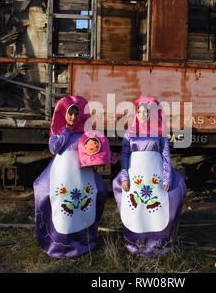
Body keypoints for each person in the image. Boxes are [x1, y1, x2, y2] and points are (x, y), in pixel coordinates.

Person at [33, 95, 107, 258]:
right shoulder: (57, 132)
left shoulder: (86, 134)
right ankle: (59, 244)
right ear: (63, 114)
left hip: (81, 176)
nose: (73, 117)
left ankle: (83, 241)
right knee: (56, 202)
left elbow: (93, 152)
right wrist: (67, 129)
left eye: (76, 114)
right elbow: (55, 149)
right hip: (61, 175)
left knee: (88, 202)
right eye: (70, 114)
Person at [112, 97, 187, 255]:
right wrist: (124, 177)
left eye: (147, 111)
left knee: (157, 208)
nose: (143, 114)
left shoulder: (160, 134)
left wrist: (167, 178)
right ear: (136, 114)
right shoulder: (129, 134)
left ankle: (159, 243)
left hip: (155, 178)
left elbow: (166, 157)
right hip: (135, 179)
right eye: (140, 111)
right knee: (136, 208)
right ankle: (136, 243)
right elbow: (125, 156)